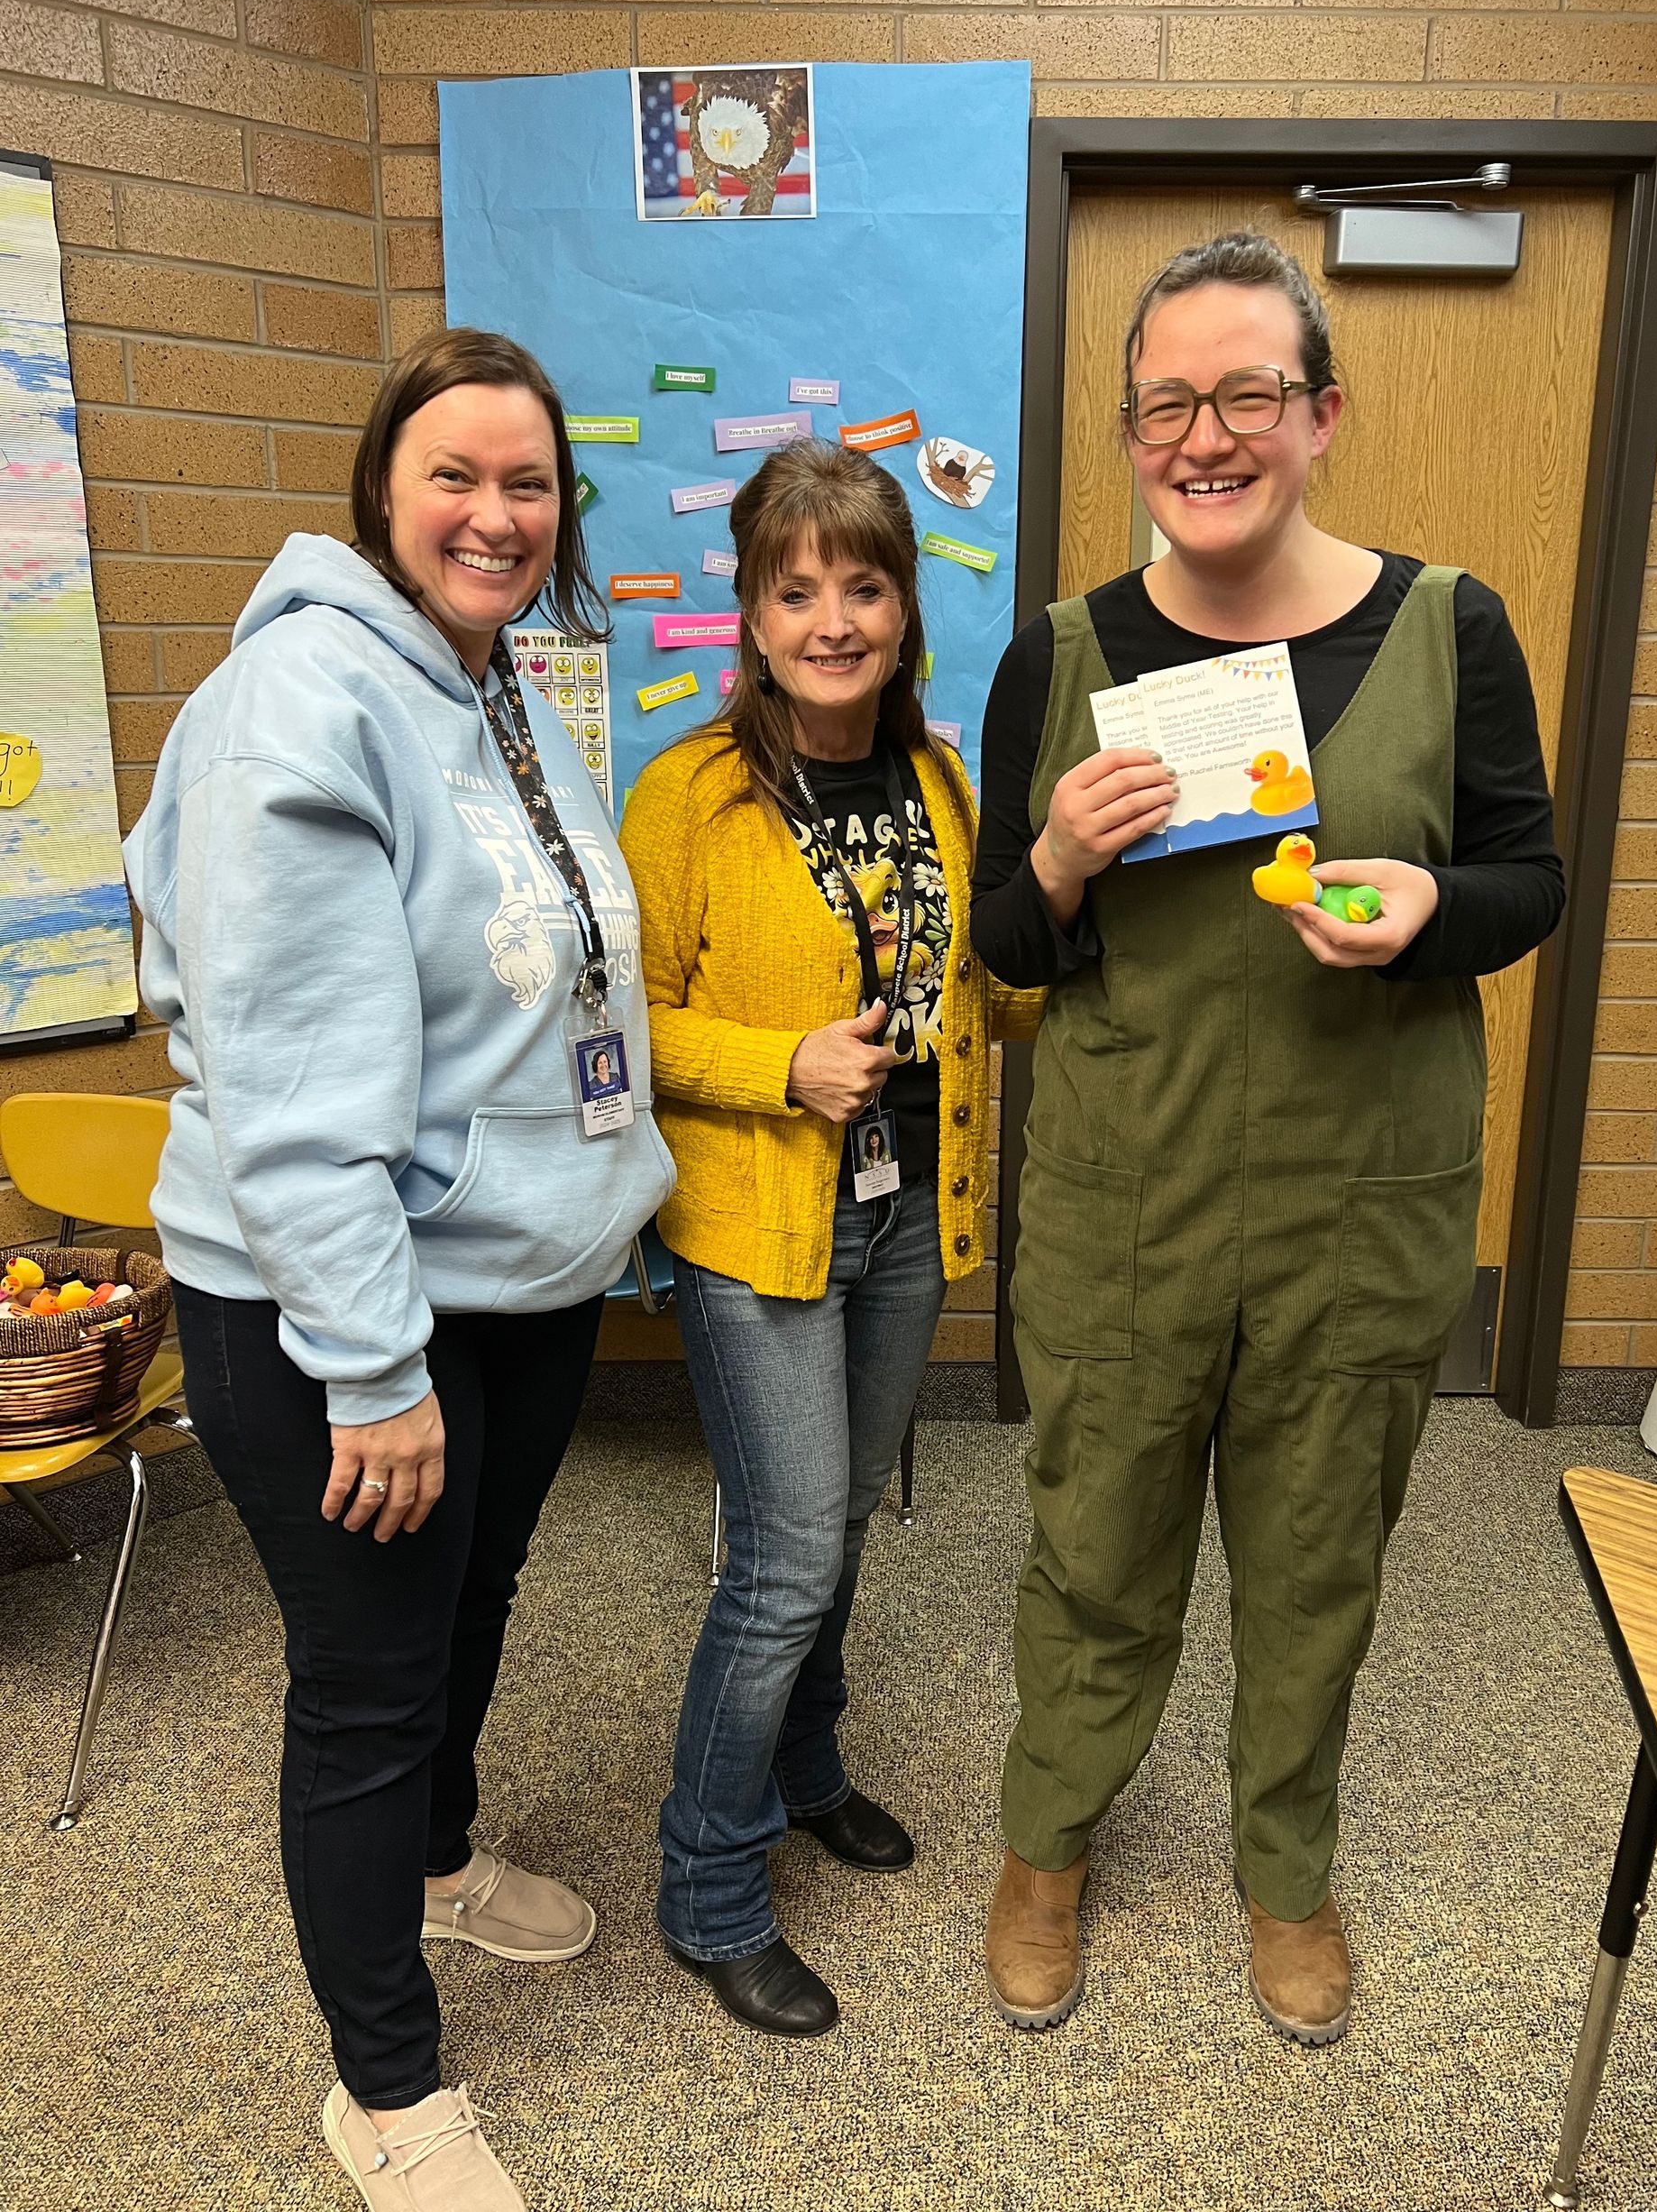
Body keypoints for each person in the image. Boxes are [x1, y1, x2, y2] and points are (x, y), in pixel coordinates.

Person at [972, 233, 1564, 2045]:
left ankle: (1286, 1867)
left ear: (1320, 414)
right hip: (1125, 1208)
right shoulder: (1061, 652)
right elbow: (1005, 947)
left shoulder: (1450, 625)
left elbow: (1531, 875)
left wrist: (1431, 903)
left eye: (1246, 394)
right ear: (1135, 427)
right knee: (1096, 1548)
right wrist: (1061, 857)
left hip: (1353, 1208)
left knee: (1319, 1555)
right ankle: (1048, 1843)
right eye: (1168, 400)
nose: (1205, 432)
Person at [124, 329, 673, 2212]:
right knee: (367, 1685)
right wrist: (370, 1363)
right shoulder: (306, 698)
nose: (497, 514)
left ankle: (439, 1869)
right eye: (458, 475)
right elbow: (284, 1089)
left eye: (530, 484)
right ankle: (385, 2089)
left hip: (515, 1283)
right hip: (343, 1306)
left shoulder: (493, 680)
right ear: (382, 490)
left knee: (471, 1607)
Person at [620, 436, 1042, 2038]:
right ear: (751, 608)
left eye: (862, 584)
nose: (833, 616)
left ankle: (807, 1768)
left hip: (906, 1219)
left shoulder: (941, 782)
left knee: (844, 1523)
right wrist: (775, 1063)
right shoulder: (693, 797)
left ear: (902, 604)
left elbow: (981, 989)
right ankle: (708, 1883)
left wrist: (1068, 908)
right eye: (798, 589)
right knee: (785, 1554)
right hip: (758, 1227)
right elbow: (624, 1027)